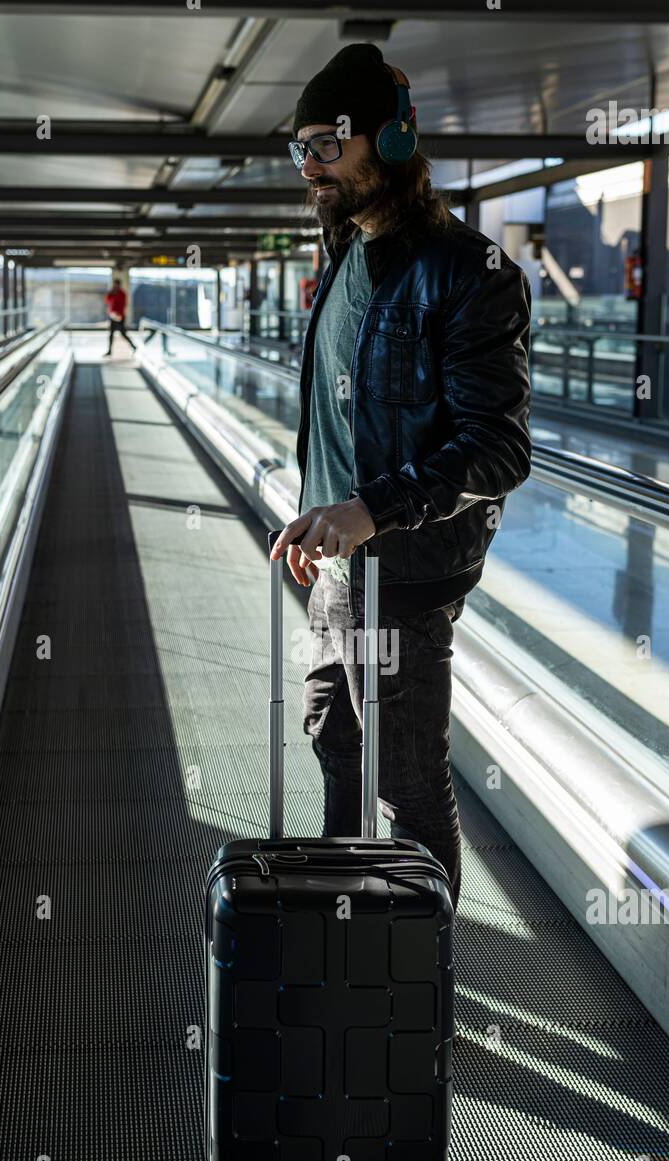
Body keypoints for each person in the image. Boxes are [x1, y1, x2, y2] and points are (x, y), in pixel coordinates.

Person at [269, 43, 532, 915]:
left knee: (407, 785)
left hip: (407, 581)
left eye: (326, 144)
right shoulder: (343, 246)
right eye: (299, 148)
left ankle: (420, 1000)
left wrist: (371, 510)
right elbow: (355, 411)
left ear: (388, 142)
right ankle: (349, 928)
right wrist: (324, 511)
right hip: (340, 565)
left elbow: (499, 449)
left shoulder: (470, 274)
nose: (310, 167)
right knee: (333, 737)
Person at [103, 277, 135, 355]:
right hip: (112, 316)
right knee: (111, 334)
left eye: (116, 285)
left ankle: (133, 346)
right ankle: (110, 351)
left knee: (123, 333)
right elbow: (106, 301)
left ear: (119, 285)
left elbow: (123, 304)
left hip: (120, 316)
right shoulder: (111, 293)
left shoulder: (122, 294)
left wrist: (119, 315)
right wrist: (111, 293)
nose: (115, 286)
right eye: (114, 285)